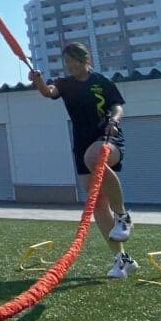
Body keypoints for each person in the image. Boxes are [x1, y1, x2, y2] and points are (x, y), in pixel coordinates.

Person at [28, 43, 138, 279]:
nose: (69, 66)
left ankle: (122, 215)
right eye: (66, 62)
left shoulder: (101, 81)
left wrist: (115, 121)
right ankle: (122, 259)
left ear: (85, 59)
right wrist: (37, 80)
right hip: (81, 143)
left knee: (95, 156)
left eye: (73, 60)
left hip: (107, 137)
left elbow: (117, 106)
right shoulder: (64, 84)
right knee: (97, 203)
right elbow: (49, 93)